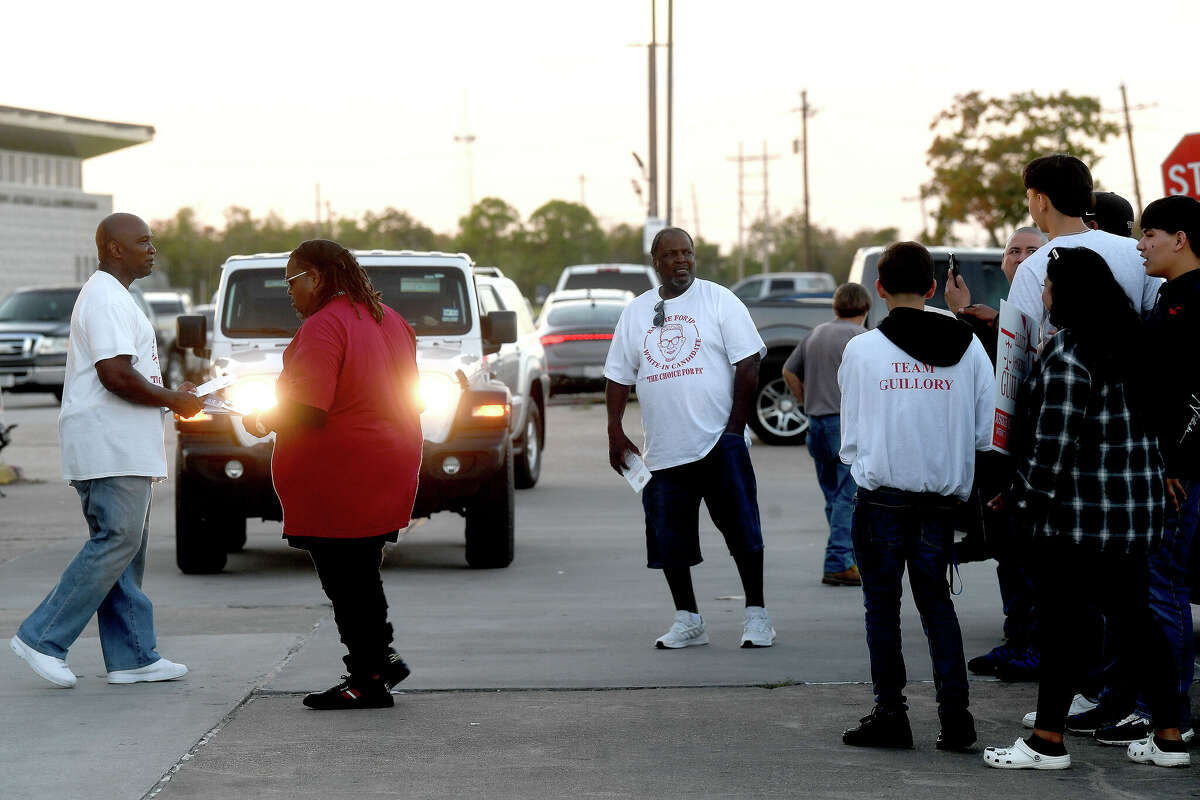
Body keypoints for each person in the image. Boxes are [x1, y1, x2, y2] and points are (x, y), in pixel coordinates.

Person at [983, 246, 1187, 770]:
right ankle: (1169, 739)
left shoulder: (1070, 354)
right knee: (1137, 625)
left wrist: (1017, 499)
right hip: (1134, 515)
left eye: (1048, 286)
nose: (1044, 294)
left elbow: (1052, 446)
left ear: (1068, 294)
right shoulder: (1134, 345)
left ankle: (1046, 742)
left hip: (1080, 518)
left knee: (1062, 628)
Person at [9, 213, 204, 688]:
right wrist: (173, 399)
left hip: (123, 444)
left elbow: (131, 372)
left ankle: (132, 657)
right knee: (116, 541)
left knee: (124, 551)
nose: (152, 249)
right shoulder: (105, 297)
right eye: (143, 241)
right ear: (115, 249)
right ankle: (42, 638)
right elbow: (114, 375)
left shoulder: (117, 296)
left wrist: (173, 395)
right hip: (109, 445)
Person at [241, 239, 422, 710]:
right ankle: (381, 657)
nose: (289, 292)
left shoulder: (324, 326)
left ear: (316, 277)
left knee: (345, 578)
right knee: (361, 569)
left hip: (343, 472)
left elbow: (307, 409)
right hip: (390, 460)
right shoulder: (389, 319)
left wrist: (260, 419)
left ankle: (367, 678)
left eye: (291, 281)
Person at [837, 242, 994, 752]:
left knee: (882, 608)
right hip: (940, 502)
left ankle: (891, 714)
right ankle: (957, 718)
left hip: (881, 497)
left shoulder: (862, 350)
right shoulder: (969, 345)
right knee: (937, 605)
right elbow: (984, 432)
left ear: (879, 289)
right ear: (931, 288)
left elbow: (850, 439)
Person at [604, 226, 775, 650]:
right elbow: (618, 377)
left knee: (742, 532)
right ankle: (688, 619)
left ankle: (757, 616)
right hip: (663, 452)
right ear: (655, 262)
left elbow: (749, 363)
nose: (681, 261)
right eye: (671, 255)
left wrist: (734, 431)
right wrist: (614, 430)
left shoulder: (719, 300)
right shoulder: (636, 312)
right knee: (668, 540)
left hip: (719, 444)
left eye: (687, 253)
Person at [1088, 196, 1200, 747]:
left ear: (1181, 238)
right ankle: (1152, 706)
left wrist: (1175, 462)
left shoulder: (1194, 301)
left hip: (1179, 473)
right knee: (1152, 588)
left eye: (1149, 234)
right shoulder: (1170, 296)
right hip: (1162, 467)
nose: (1140, 245)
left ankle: (1169, 716)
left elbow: (1193, 396)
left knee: (1164, 588)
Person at [944, 226, 1051, 684]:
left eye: (1032, 251)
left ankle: (1038, 648)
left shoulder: (1052, 317)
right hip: (998, 461)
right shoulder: (994, 318)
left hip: (1040, 461)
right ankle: (1018, 640)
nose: (1022, 258)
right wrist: (964, 314)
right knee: (1009, 555)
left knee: (1036, 562)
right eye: (1013, 251)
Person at [1007, 156, 1161, 334]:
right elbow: (1157, 320)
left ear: (1041, 201)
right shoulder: (1135, 251)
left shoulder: (1033, 265)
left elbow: (1015, 344)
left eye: (1029, 197)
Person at [781, 282, 870, 586]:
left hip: (816, 424)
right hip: (843, 425)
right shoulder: (861, 337)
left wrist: (805, 400)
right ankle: (838, 561)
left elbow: (788, 371)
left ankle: (847, 557)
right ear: (865, 309)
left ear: (835, 306)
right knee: (849, 496)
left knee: (833, 497)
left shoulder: (815, 334)